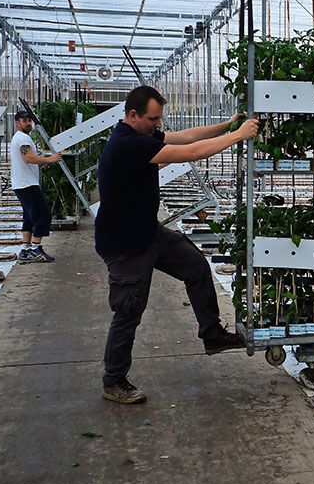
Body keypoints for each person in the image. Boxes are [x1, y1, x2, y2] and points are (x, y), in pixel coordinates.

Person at [96, 85, 259, 404]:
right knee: (129, 311)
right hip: (125, 244)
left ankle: (212, 335)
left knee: (196, 266)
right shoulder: (128, 145)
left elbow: (186, 137)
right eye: (153, 119)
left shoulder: (140, 137)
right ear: (133, 115)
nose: (158, 125)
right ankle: (113, 381)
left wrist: (226, 125)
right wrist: (238, 136)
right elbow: (191, 153)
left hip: (148, 233)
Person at [9, 109, 61, 263]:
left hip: (22, 183)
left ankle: (25, 249)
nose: (28, 123)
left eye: (29, 120)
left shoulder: (19, 138)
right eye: (24, 121)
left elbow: (31, 156)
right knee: (42, 214)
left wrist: (43, 157)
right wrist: (51, 159)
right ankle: (36, 249)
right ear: (17, 123)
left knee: (29, 216)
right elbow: (29, 158)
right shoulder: (23, 138)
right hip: (27, 183)